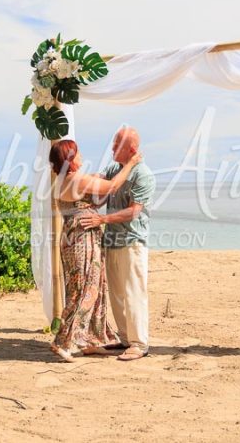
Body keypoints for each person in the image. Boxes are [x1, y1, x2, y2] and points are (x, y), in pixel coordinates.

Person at [48, 139, 143, 363]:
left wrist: (98, 179)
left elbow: (91, 196)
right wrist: (130, 163)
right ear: (70, 158)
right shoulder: (75, 179)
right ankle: (62, 342)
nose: (81, 155)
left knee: (91, 285)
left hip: (75, 236)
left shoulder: (63, 179)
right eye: (78, 153)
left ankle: (90, 339)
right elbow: (111, 188)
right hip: (82, 238)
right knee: (83, 290)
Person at [80, 127, 155, 361]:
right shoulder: (115, 169)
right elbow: (100, 183)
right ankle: (124, 338)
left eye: (116, 145)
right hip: (112, 241)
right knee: (117, 294)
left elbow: (134, 212)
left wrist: (102, 219)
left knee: (134, 292)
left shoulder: (143, 175)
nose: (111, 148)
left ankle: (139, 343)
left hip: (132, 242)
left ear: (131, 150)